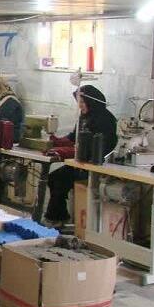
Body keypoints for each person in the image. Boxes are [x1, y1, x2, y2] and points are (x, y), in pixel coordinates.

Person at [44, 85, 117, 228]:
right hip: (82, 163)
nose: (80, 106)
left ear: (91, 101)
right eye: (79, 102)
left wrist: (66, 150)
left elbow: (103, 145)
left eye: (82, 102)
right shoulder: (84, 116)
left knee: (59, 180)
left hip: (96, 166)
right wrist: (55, 141)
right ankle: (59, 217)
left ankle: (56, 219)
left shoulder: (105, 119)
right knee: (53, 178)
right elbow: (73, 137)